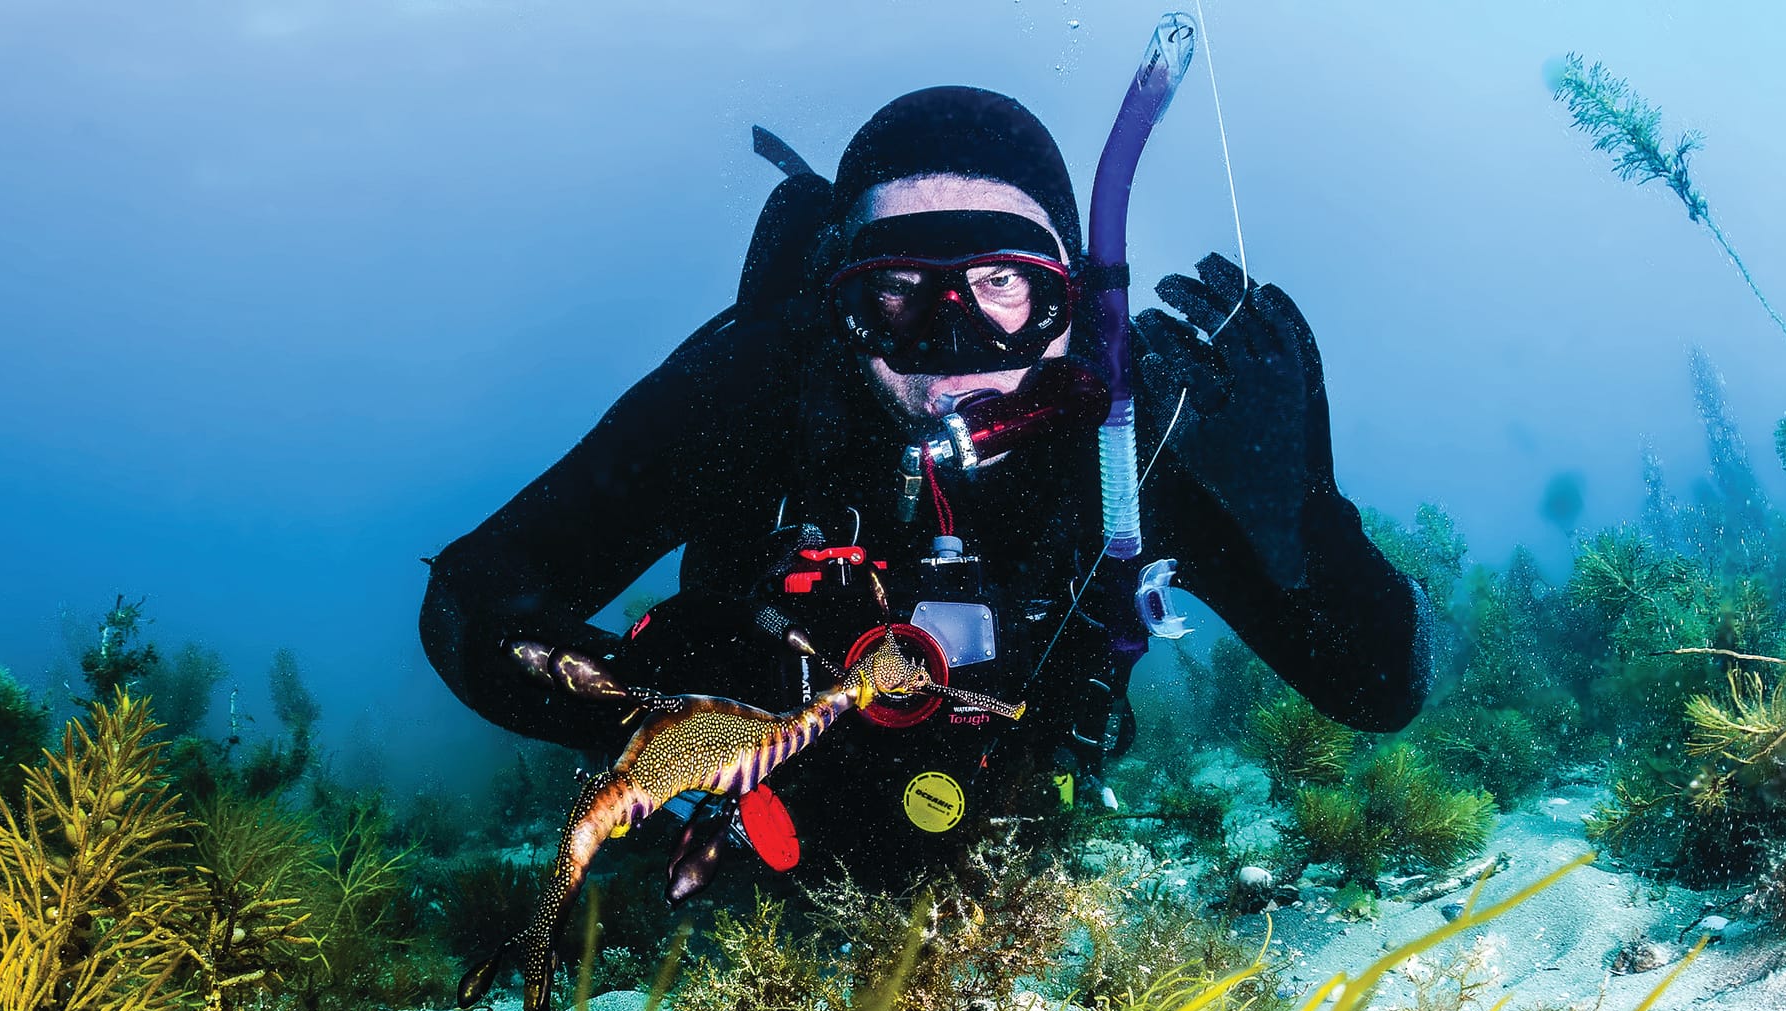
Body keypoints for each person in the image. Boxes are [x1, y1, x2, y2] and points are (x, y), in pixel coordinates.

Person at [420, 86, 1433, 888]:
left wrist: (1296, 511)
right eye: (893, 291)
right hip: (755, 842)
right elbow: (470, 598)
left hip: (1013, 827)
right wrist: (658, 710)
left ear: (1070, 299)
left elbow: (1379, 685)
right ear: (835, 298)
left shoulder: (1135, 434)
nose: (948, 345)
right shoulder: (756, 393)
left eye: (1002, 286)